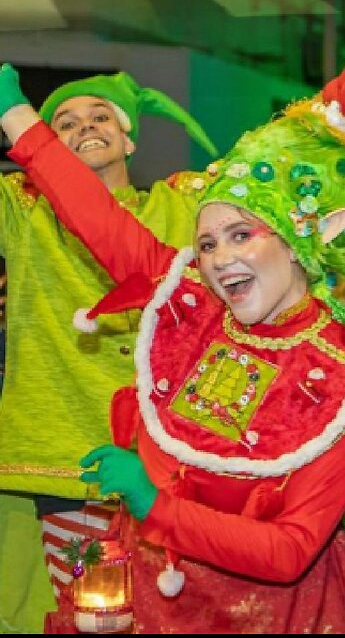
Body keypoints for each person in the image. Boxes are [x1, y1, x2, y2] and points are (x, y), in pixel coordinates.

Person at [1, 53, 345, 635]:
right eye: (208, 242)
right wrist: (15, 112)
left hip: (264, 620)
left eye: (241, 235)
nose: (219, 260)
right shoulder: (194, 305)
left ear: (297, 242)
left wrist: (154, 505)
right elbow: (92, 216)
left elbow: (291, 550)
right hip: (152, 604)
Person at [0, 70, 218, 634]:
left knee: (163, 618)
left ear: (130, 140)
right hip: (64, 467)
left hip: (171, 468)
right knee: (85, 616)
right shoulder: (22, 210)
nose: (85, 128)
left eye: (101, 117)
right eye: (65, 124)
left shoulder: (184, 204)